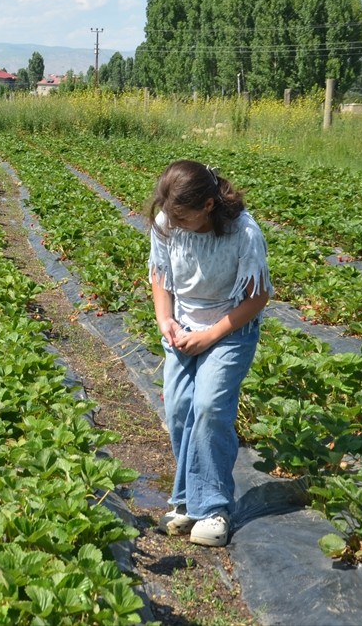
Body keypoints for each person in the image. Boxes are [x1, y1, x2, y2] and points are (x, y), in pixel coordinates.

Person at [148, 160, 272, 548]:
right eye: (170, 214)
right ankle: (187, 500)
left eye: (182, 216)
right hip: (183, 327)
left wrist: (211, 335)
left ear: (207, 205)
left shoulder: (243, 232)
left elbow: (258, 296)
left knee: (209, 407)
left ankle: (214, 507)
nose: (174, 222)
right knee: (179, 408)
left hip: (230, 329)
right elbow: (160, 276)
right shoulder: (167, 223)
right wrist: (165, 320)